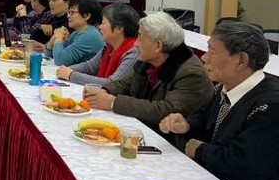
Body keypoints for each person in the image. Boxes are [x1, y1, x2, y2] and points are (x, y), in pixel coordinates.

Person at [160, 21, 279, 180]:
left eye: (212, 51)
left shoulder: (271, 105)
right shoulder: (224, 87)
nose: (204, 58)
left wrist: (199, 149)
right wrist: (186, 125)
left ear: (240, 60)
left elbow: (245, 165)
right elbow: (206, 119)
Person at [83, 11, 214, 135]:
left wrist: (113, 102)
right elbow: (127, 84)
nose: (135, 44)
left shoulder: (191, 73)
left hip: (174, 142)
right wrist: (104, 91)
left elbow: (167, 111)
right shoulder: (149, 60)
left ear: (157, 45)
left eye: (140, 38)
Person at [56, 2, 140, 85]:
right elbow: (89, 67)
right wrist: (65, 70)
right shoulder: (109, 47)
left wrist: (71, 75)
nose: (100, 27)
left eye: (103, 23)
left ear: (119, 28)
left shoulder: (133, 52)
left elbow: (112, 84)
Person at [45, 0, 104, 66]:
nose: (68, 16)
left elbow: (60, 61)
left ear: (86, 15)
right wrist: (53, 40)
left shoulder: (90, 35)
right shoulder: (76, 33)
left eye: (72, 12)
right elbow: (49, 55)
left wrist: (58, 39)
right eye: (68, 12)